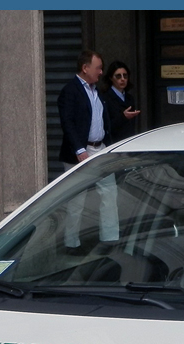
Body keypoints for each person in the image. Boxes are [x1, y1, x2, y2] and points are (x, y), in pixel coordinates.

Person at [57, 50, 118, 250]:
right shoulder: (70, 91)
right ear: (85, 68)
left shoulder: (96, 91)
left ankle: (110, 239)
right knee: (76, 201)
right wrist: (79, 150)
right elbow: (68, 123)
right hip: (80, 153)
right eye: (98, 68)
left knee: (109, 193)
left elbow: (102, 119)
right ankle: (71, 244)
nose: (101, 72)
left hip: (100, 148)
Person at [101, 61, 141, 142]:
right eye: (118, 76)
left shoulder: (129, 98)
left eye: (125, 76)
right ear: (111, 77)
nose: (123, 79)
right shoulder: (105, 98)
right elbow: (105, 126)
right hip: (113, 143)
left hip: (129, 142)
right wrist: (123, 117)